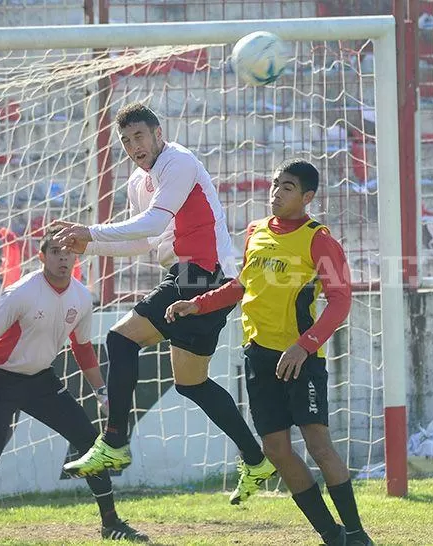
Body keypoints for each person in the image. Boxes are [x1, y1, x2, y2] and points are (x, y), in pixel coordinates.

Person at [52, 102, 274, 504]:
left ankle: (115, 440)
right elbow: (144, 240)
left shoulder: (179, 162)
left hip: (200, 274)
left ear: (158, 133)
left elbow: (154, 223)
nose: (133, 145)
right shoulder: (138, 181)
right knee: (191, 384)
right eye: (125, 140)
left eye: (139, 136)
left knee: (120, 340)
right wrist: (91, 244)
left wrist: (90, 230)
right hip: (195, 279)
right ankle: (257, 460)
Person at [165, 159, 373, 546]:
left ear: (307, 197)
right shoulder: (255, 231)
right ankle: (332, 536)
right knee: (276, 449)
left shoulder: (319, 240)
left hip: (301, 360)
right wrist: (199, 304)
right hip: (259, 358)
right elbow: (241, 285)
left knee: (318, 444)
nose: (276, 193)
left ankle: (358, 535)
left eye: (288, 187)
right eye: (275, 184)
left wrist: (304, 345)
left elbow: (341, 300)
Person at [0, 229, 147, 546]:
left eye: (68, 250)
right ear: (42, 257)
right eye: (55, 251)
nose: (63, 257)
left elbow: (82, 348)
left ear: (77, 256)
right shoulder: (20, 292)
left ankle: (111, 522)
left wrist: (102, 392)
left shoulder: (81, 296)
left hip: (40, 379)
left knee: (90, 443)